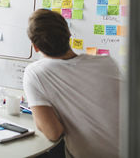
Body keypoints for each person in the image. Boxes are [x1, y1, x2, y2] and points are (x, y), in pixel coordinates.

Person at [23, 9, 120, 158]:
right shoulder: (107, 63)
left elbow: (53, 133)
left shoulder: (35, 73)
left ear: (35, 46)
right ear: (68, 35)